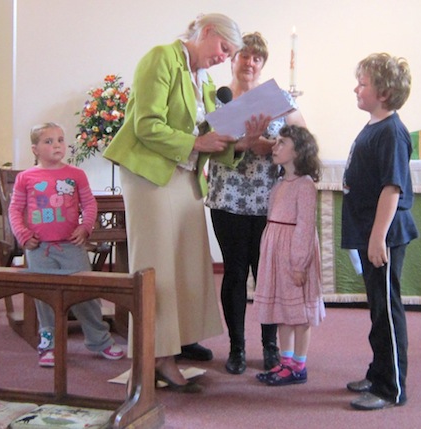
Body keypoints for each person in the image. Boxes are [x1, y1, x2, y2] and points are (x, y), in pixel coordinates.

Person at [103, 14, 267, 392]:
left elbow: (211, 135)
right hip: (150, 176)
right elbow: (146, 124)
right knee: (157, 265)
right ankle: (154, 357)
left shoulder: (203, 80)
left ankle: (171, 351)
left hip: (185, 176)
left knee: (187, 263)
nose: (224, 58)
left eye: (231, 54)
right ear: (206, 32)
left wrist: (241, 142)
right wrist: (195, 143)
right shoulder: (161, 57)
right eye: (224, 48)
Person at [205, 32, 306, 375]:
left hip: (269, 200)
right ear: (233, 59)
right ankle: (236, 348)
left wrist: (272, 144)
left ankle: (270, 347)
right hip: (228, 196)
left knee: (266, 274)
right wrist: (245, 143)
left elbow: (303, 139)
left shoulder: (277, 98)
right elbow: (207, 144)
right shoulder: (217, 98)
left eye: (257, 58)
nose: (250, 63)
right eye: (244, 56)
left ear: (263, 63)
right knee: (234, 272)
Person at [8, 122, 125, 367]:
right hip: (39, 249)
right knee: (45, 299)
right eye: (48, 141)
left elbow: (90, 205)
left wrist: (85, 228)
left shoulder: (76, 175)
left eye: (60, 140)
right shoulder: (26, 178)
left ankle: (99, 340)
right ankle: (48, 343)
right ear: (35, 149)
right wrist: (23, 234)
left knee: (86, 295)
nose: (56, 145)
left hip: (72, 247)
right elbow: (15, 210)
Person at [341, 53, 418, 410]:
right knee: (376, 309)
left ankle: (391, 388)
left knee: (387, 310)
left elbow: (392, 188)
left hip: (384, 234)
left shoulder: (392, 132)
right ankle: (378, 371)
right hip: (372, 232)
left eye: (363, 83)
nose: (356, 88)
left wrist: (376, 237)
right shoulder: (375, 125)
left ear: (384, 92)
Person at [253, 125, 325, 386]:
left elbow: (305, 227)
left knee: (299, 313)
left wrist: (299, 263)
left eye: (282, 143)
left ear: (299, 151)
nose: (275, 146)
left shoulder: (305, 186)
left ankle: (299, 365)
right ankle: (285, 362)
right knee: (282, 310)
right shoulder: (281, 184)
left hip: (294, 252)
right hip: (277, 252)